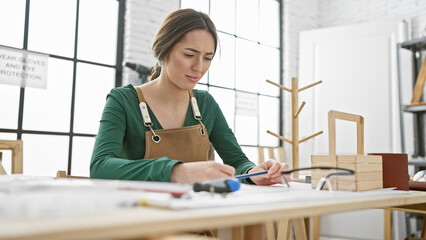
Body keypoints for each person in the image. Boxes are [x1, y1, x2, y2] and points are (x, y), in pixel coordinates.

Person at [90, 8, 289, 186]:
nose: (199, 67)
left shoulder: (205, 104)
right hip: (138, 220)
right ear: (163, 51)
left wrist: (253, 172)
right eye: (188, 54)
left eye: (208, 58)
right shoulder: (123, 100)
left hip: (195, 220)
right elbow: (100, 166)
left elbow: (237, 161)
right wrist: (176, 171)